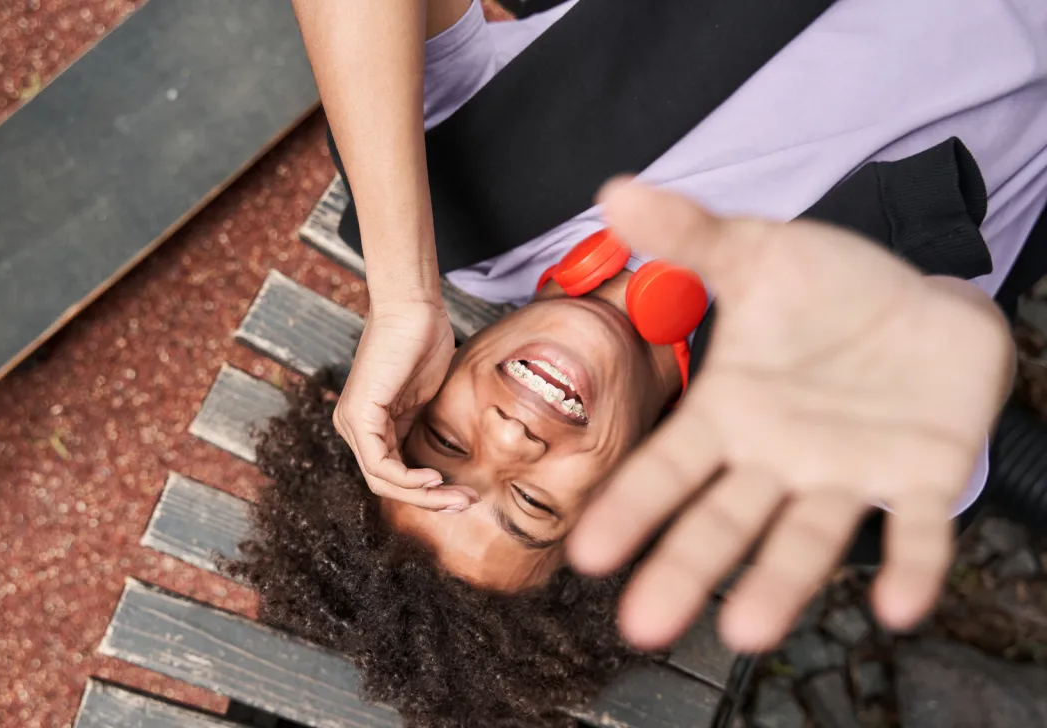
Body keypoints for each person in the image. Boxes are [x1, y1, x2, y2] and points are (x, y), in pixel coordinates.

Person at [291, 0, 1047, 654]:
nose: (512, 441)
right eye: (532, 503)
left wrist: (402, 292)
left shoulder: (477, 213)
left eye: (447, 442)